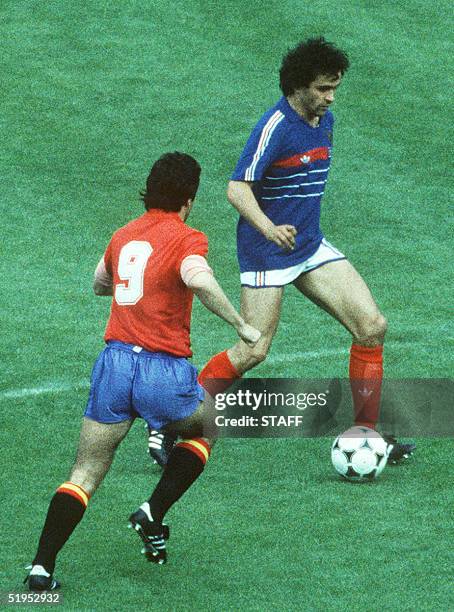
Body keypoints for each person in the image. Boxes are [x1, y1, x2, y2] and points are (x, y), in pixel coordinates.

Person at [25, 152, 260, 591]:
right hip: (162, 373)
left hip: (113, 367)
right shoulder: (187, 237)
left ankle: (41, 568)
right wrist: (241, 324)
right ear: (189, 198)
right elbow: (200, 279)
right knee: (209, 425)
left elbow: (99, 283)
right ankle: (153, 510)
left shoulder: (123, 234)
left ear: (148, 191)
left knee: (84, 472)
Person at [196, 37, 415, 461]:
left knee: (371, 326)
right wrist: (269, 227)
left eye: (334, 89)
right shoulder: (275, 127)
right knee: (254, 350)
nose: (330, 98)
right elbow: (236, 188)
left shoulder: (324, 122)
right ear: (297, 86)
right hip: (266, 252)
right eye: (322, 89)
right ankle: (176, 424)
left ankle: (366, 433)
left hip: (309, 246)